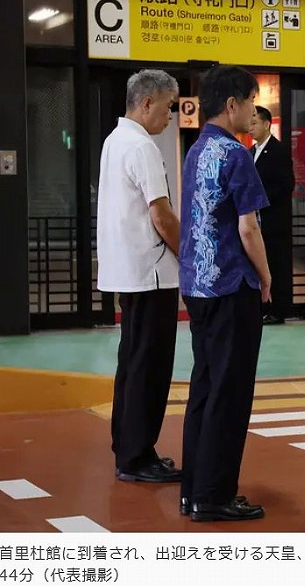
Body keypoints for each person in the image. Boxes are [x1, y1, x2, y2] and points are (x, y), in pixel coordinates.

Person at [178, 65, 271, 522]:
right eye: (251, 101)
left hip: (198, 284)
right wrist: (266, 277)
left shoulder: (196, 151)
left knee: (205, 385)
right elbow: (248, 228)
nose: (254, 111)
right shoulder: (236, 153)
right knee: (230, 392)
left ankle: (193, 489)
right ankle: (214, 495)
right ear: (232, 104)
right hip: (233, 284)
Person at [97, 69, 182, 483]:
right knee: (150, 366)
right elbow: (161, 215)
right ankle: (138, 456)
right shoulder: (142, 146)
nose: (170, 115)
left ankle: (128, 447)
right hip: (152, 272)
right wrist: (190, 255)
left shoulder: (114, 141)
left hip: (127, 271)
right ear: (147, 103)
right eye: (168, 106)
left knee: (132, 363)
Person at [249, 106, 296, 325]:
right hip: (256, 221)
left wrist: (259, 200)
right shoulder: (250, 151)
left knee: (277, 264)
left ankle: (279, 309)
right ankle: (262, 307)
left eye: (255, 123)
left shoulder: (278, 150)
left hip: (274, 220)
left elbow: (286, 185)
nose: (250, 128)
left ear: (267, 124)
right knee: (259, 263)